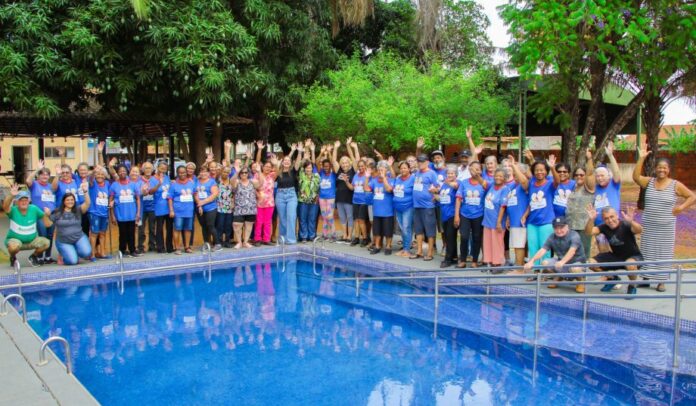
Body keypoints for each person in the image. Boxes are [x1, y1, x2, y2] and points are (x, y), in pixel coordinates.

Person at [633, 145, 696, 292]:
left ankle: (661, 281)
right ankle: (646, 277)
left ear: (669, 170)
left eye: (665, 168)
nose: (662, 170)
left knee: (663, 252)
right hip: (649, 224)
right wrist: (641, 158)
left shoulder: (675, 185)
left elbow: (692, 196)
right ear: (655, 169)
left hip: (666, 226)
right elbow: (635, 177)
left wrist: (681, 208)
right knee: (647, 250)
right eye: (659, 167)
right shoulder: (648, 182)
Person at [585, 206, 643, 296]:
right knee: (591, 263)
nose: (610, 220)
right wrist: (591, 219)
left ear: (616, 215)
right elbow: (589, 232)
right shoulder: (603, 227)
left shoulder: (625, 224)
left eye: (612, 217)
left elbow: (639, 230)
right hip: (616, 256)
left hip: (633, 257)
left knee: (630, 264)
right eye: (606, 218)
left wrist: (631, 221)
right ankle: (613, 278)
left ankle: (632, 285)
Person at [512, 158, 556, 268]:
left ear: (546, 171)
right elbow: (531, 202)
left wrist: (552, 167)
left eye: (542, 170)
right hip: (532, 222)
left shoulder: (550, 184)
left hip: (546, 221)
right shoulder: (531, 184)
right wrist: (514, 166)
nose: (539, 172)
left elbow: (558, 181)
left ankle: (546, 271)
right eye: (536, 170)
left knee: (545, 248)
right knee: (533, 247)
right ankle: (535, 270)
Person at [524, 216, 587, 293]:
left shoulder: (574, 235)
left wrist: (562, 262)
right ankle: (559, 276)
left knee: (575, 268)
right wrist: (531, 261)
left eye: (561, 227)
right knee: (545, 263)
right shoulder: (552, 236)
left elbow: (572, 251)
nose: (559, 230)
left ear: (567, 226)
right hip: (562, 264)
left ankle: (581, 281)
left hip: (577, 263)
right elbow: (543, 250)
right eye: (556, 228)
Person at [43, 184, 92, 265]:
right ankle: (63, 255)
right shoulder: (57, 212)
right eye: (68, 200)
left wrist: (85, 192)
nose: (70, 201)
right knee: (72, 261)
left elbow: (87, 203)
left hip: (79, 238)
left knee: (86, 253)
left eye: (72, 200)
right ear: (64, 201)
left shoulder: (78, 209)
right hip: (63, 241)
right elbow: (48, 224)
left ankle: (73, 251)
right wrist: (46, 215)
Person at [3, 185, 50, 267]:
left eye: (26, 200)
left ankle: (33, 256)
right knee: (13, 247)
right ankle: (13, 257)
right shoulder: (13, 210)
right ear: (17, 201)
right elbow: (5, 207)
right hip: (15, 241)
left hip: (31, 241)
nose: (24, 202)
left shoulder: (34, 209)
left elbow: (48, 224)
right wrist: (11, 195)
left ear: (29, 201)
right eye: (21, 200)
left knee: (46, 243)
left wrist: (47, 215)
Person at [455, 161, 486, 268]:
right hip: (465, 215)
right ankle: (463, 259)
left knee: (477, 237)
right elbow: (458, 199)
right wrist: (456, 215)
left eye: (478, 169)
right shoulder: (463, 183)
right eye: (473, 169)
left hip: (479, 215)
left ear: (481, 171)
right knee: (464, 237)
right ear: (469, 170)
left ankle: (474, 260)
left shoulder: (483, 183)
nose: (475, 171)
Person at [565, 151, 595, 257]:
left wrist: (589, 159)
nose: (579, 176)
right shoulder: (573, 188)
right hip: (570, 226)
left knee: (583, 254)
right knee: (570, 254)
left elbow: (591, 174)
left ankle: (582, 273)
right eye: (576, 175)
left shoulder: (588, 188)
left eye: (582, 174)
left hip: (583, 227)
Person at [26, 162, 57, 264]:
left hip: (51, 215)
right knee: (42, 235)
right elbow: (28, 180)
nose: (44, 176)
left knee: (50, 235)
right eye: (42, 174)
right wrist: (37, 169)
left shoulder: (50, 186)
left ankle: (47, 257)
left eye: (47, 174)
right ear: (38, 176)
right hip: (40, 215)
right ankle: (39, 256)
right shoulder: (34, 185)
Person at [109, 164, 142, 257]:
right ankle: (122, 250)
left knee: (131, 233)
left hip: (132, 214)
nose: (122, 172)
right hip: (120, 214)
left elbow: (138, 199)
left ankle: (132, 250)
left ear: (127, 172)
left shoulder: (133, 184)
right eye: (120, 171)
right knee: (122, 233)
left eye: (124, 170)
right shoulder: (114, 185)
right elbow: (110, 200)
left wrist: (138, 212)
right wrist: (112, 215)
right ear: (118, 173)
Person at [410, 154, 438, 261]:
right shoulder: (417, 173)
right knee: (418, 230)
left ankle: (430, 253)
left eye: (422, 161)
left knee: (430, 231)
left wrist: (434, 192)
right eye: (419, 161)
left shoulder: (432, 173)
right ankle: (419, 251)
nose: (420, 163)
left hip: (428, 207)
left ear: (427, 162)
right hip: (417, 206)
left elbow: (438, 187)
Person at [365, 161, 395, 255]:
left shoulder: (391, 180)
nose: (380, 171)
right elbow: (366, 189)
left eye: (383, 169)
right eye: (379, 169)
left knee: (388, 230)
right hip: (377, 211)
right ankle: (377, 246)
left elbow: (389, 189)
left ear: (387, 170)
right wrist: (367, 177)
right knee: (377, 230)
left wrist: (384, 178)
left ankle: (388, 246)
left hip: (388, 211)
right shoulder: (374, 181)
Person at [231, 165, 262, 248]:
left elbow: (261, 184)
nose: (244, 174)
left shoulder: (252, 182)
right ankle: (239, 242)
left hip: (251, 208)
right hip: (239, 208)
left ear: (248, 173)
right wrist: (236, 172)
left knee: (249, 225)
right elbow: (231, 182)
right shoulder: (237, 181)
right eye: (242, 172)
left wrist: (259, 172)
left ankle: (245, 242)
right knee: (237, 224)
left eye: (246, 172)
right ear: (240, 174)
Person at [482, 169, 508, 269]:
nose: (498, 178)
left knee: (497, 243)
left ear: (505, 178)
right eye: (496, 176)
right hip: (487, 220)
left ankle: (498, 264)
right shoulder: (492, 186)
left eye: (501, 176)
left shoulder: (505, 189)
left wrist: (498, 222)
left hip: (497, 221)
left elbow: (503, 206)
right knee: (487, 243)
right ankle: (489, 262)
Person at [274, 146, 300, 245]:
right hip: (280, 195)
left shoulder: (293, 171)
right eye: (285, 160)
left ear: (291, 162)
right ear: (282, 162)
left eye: (288, 160)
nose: (286, 162)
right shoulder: (279, 172)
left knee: (291, 216)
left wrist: (295, 151)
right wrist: (277, 164)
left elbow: (297, 163)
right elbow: (274, 176)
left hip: (291, 195)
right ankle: (282, 238)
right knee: (282, 218)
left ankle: (291, 240)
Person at [169, 165, 196, 254]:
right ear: (177, 173)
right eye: (180, 172)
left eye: (183, 172)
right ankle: (177, 248)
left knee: (188, 229)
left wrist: (199, 205)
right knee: (177, 229)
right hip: (178, 211)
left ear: (186, 172)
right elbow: (170, 198)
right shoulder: (173, 185)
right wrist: (171, 210)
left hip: (189, 210)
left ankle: (187, 247)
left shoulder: (191, 183)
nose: (182, 174)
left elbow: (195, 194)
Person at [593, 142, 622, 225]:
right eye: (597, 176)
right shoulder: (595, 188)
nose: (599, 178)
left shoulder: (614, 185)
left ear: (609, 176)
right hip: (598, 226)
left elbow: (616, 172)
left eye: (602, 175)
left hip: (612, 224)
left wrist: (610, 155)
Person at [333, 141, 355, 243]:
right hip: (339, 198)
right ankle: (344, 235)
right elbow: (333, 160)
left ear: (349, 163)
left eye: (346, 162)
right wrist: (335, 148)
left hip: (349, 197)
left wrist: (348, 145)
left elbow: (353, 157)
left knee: (350, 216)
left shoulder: (353, 171)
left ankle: (350, 235)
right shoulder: (339, 171)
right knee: (342, 217)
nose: (344, 164)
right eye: (342, 163)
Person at [436, 167, 458, 267]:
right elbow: (442, 198)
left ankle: (448, 259)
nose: (450, 175)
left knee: (450, 237)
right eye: (448, 173)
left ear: (456, 174)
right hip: (444, 214)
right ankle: (454, 257)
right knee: (449, 236)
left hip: (452, 214)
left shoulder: (458, 183)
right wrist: (433, 194)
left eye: (452, 173)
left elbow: (456, 187)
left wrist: (447, 182)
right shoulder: (444, 184)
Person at [88, 166, 112, 260]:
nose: (100, 176)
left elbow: (110, 195)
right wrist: (94, 171)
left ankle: (102, 252)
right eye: (98, 174)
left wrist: (111, 202)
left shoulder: (107, 184)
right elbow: (90, 178)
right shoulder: (92, 183)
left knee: (103, 233)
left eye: (102, 174)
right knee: (94, 233)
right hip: (94, 212)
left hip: (104, 213)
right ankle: (92, 254)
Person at [195, 168, 221, 250]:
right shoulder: (197, 182)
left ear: (208, 173)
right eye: (201, 171)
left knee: (210, 225)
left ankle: (217, 244)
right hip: (200, 208)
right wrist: (200, 205)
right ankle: (206, 243)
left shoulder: (212, 182)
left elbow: (214, 195)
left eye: (205, 172)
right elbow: (195, 194)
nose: (203, 173)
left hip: (210, 208)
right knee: (203, 226)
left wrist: (203, 202)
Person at [393, 161, 415, 257]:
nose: (403, 170)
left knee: (406, 228)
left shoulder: (413, 178)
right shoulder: (398, 179)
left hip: (408, 207)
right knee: (402, 229)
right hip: (398, 207)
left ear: (409, 169)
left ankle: (407, 250)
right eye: (401, 168)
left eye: (405, 168)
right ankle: (404, 249)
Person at [137, 161, 160, 253]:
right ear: (142, 170)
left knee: (152, 228)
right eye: (146, 168)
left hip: (153, 207)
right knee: (141, 228)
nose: (148, 170)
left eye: (150, 168)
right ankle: (140, 246)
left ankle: (152, 245)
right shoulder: (138, 180)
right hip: (142, 208)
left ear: (152, 169)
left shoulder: (155, 180)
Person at [348, 158, 371, 247]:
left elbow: (369, 188)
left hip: (364, 201)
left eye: (362, 166)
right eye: (359, 166)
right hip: (355, 200)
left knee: (362, 220)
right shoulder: (356, 176)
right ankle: (357, 237)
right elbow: (352, 188)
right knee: (356, 220)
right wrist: (346, 182)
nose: (361, 167)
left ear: (365, 166)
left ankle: (365, 238)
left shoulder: (367, 176)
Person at [254, 160, 277, 246]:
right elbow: (254, 188)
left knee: (267, 221)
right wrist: (258, 195)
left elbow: (277, 171)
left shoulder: (272, 176)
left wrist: (275, 164)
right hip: (259, 202)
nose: (267, 168)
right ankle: (257, 239)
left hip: (270, 203)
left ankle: (266, 239)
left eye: (269, 167)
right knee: (259, 221)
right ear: (262, 167)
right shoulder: (257, 175)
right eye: (266, 166)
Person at [298, 160, 320, 243]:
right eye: (307, 168)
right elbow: (300, 166)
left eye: (310, 167)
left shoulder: (317, 176)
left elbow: (318, 187)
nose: (308, 169)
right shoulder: (301, 175)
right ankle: (303, 236)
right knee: (303, 218)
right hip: (303, 200)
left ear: (312, 168)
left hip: (314, 201)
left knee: (312, 219)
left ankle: (311, 236)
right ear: (304, 168)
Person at [153, 161, 173, 253]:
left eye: (165, 169)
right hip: (159, 207)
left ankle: (169, 247)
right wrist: (159, 184)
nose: (163, 170)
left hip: (168, 206)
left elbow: (170, 189)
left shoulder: (167, 177)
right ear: (157, 167)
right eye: (161, 168)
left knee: (169, 228)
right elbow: (150, 191)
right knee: (160, 228)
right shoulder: (153, 179)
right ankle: (160, 247)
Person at [216, 165, 235, 248]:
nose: (226, 173)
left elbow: (233, 193)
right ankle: (219, 241)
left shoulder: (231, 181)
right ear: (221, 172)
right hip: (219, 206)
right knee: (220, 225)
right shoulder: (217, 181)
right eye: (224, 171)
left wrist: (233, 202)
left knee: (228, 225)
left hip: (229, 207)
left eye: (227, 172)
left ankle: (227, 241)